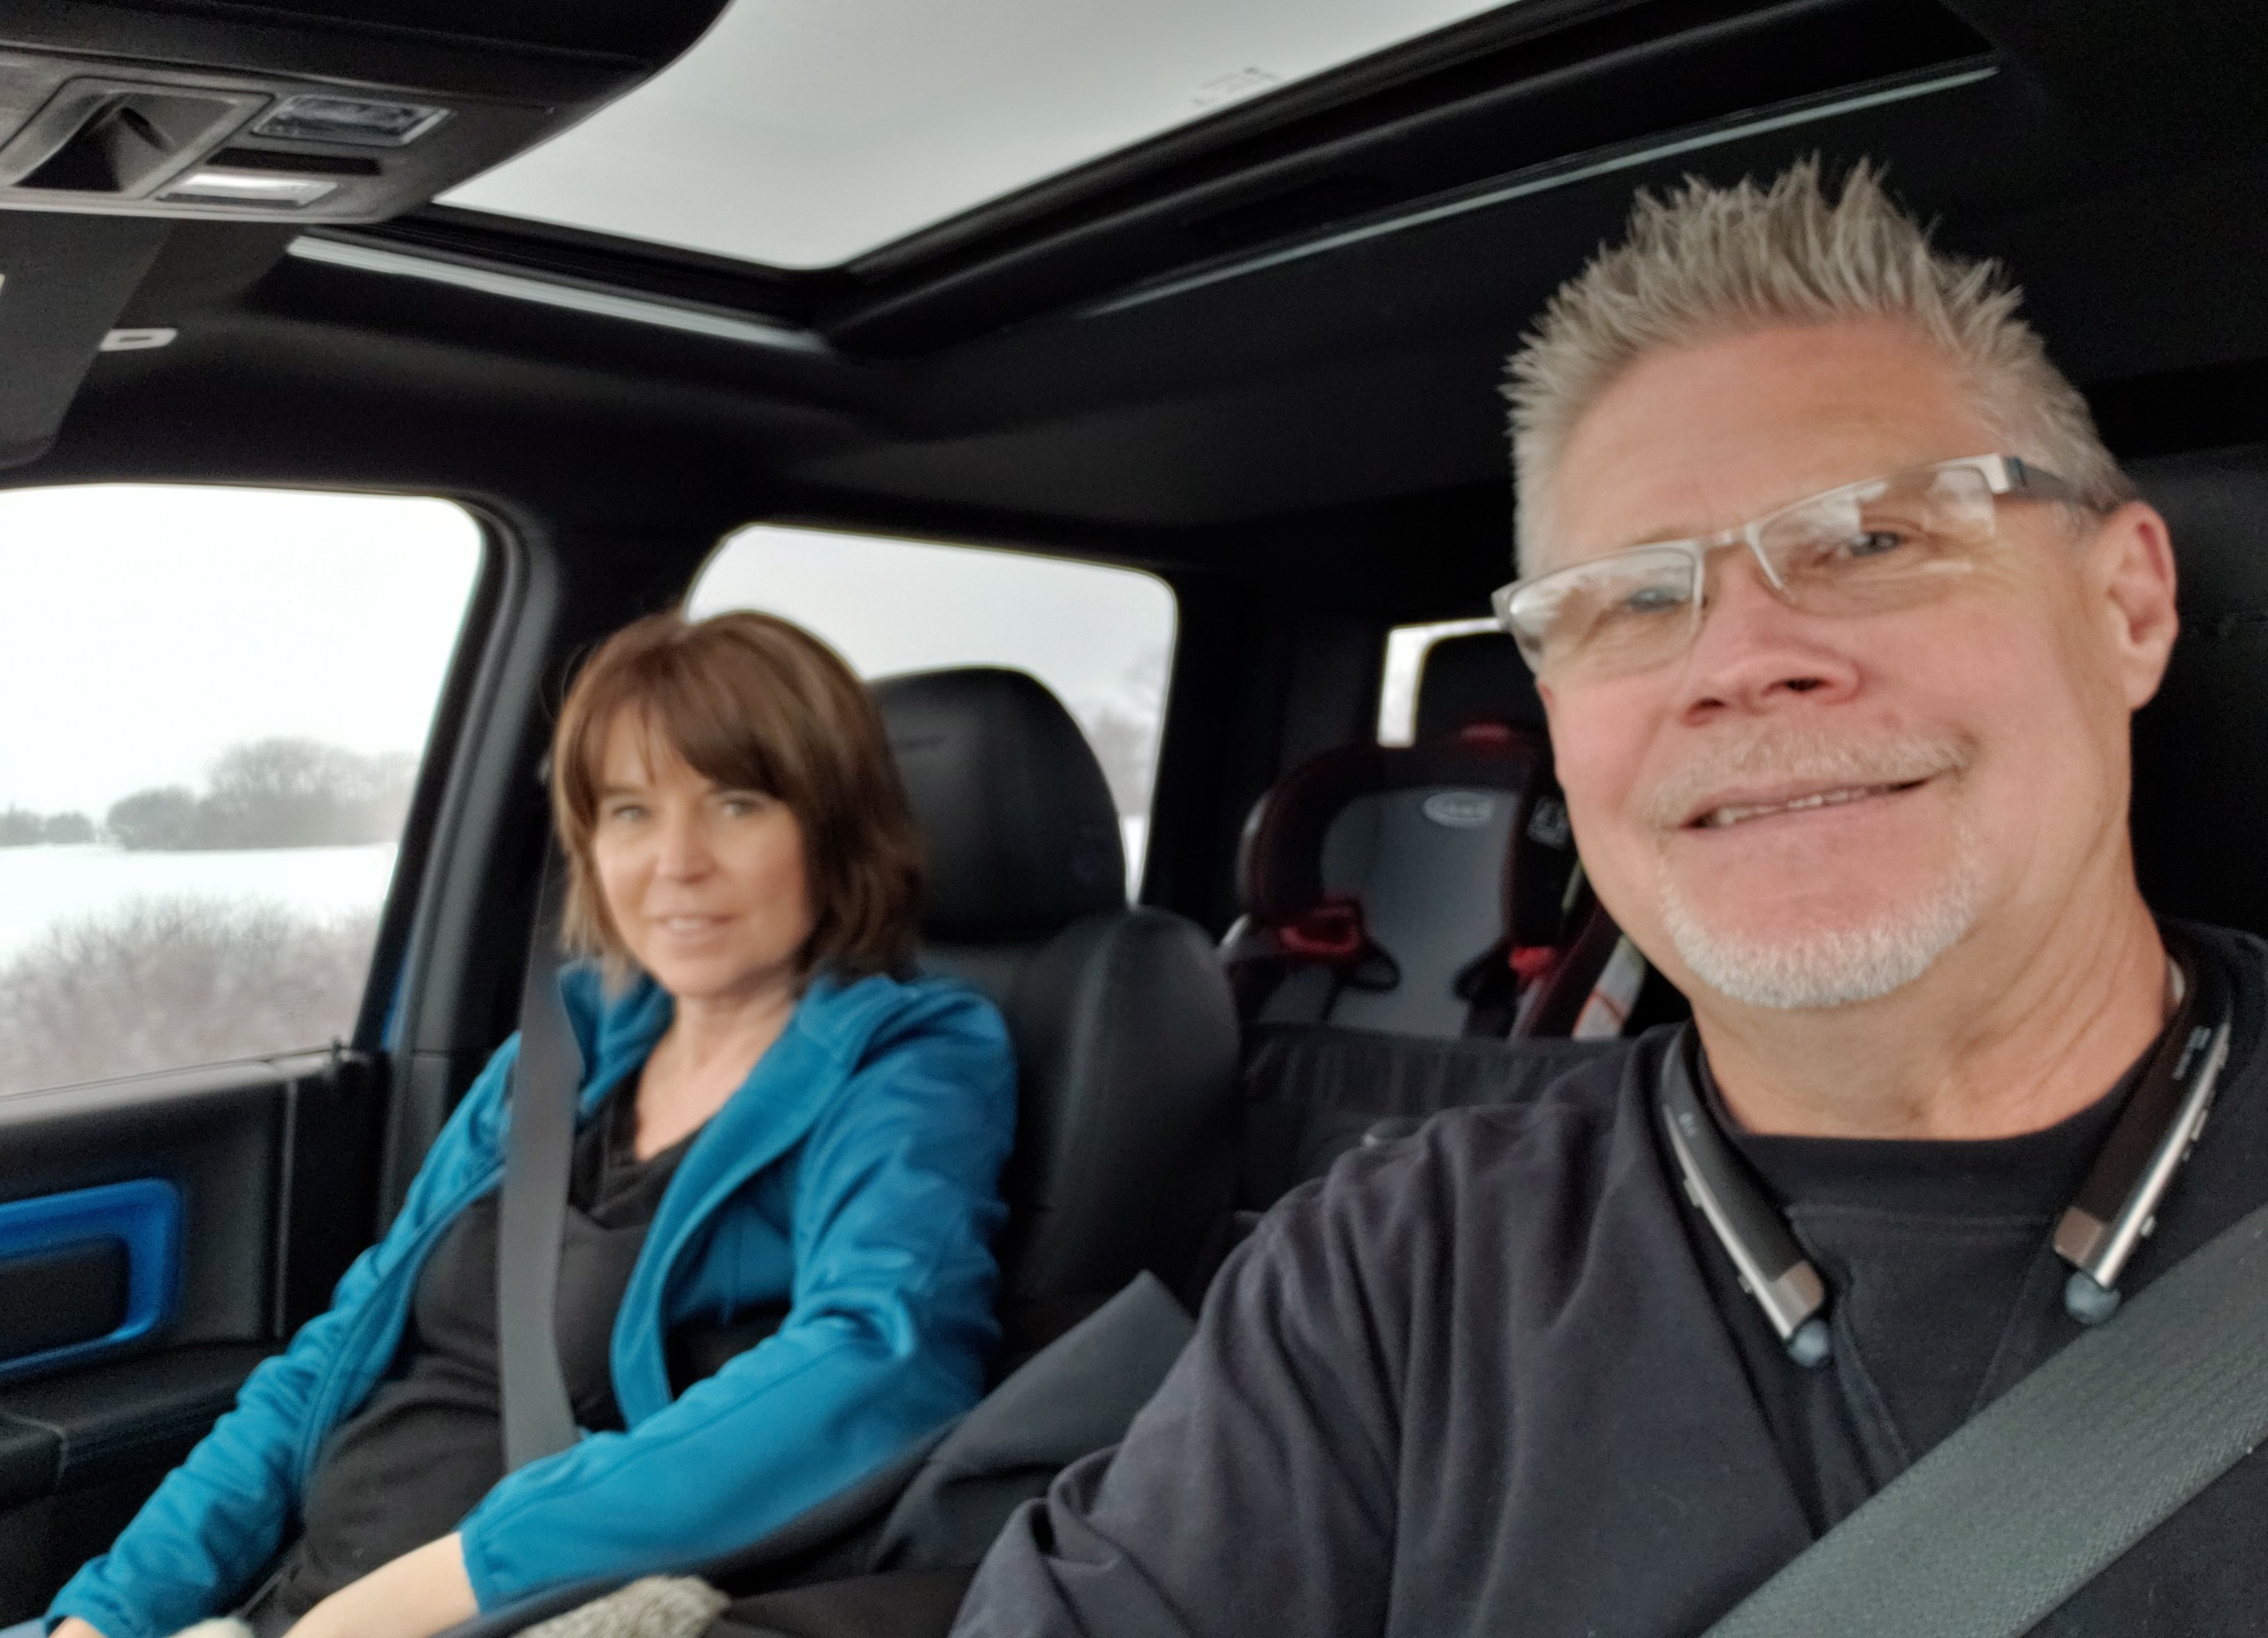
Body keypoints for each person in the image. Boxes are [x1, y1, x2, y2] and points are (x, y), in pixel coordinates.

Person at [951, 160, 2268, 1635]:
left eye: (1871, 541)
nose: (1741, 662)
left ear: (2128, 604)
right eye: (1636, 598)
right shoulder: (1392, 1271)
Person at [47, 610, 1017, 1638]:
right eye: (631, 812)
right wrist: (114, 1612)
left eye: (735, 805)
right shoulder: (566, 1043)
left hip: (521, 1610)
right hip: (297, 1601)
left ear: (834, 829)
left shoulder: (906, 1059)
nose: (675, 861)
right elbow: (334, 1353)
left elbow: (883, 1358)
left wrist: (447, 1579)